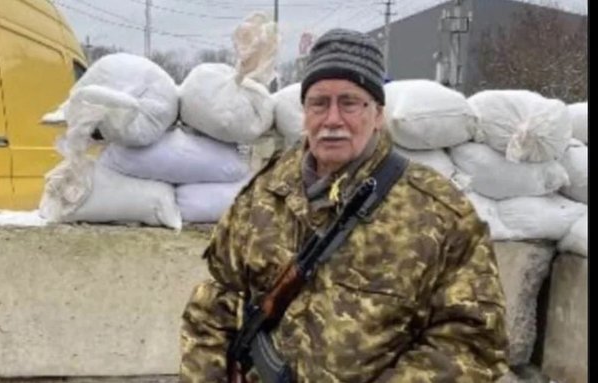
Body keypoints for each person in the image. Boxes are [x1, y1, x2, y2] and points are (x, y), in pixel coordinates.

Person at [180, 28, 509, 382]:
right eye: (319, 103)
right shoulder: (264, 194)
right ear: (304, 112)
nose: (332, 119)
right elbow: (215, 301)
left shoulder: (439, 212)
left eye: (349, 102)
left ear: (377, 113)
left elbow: (474, 342)